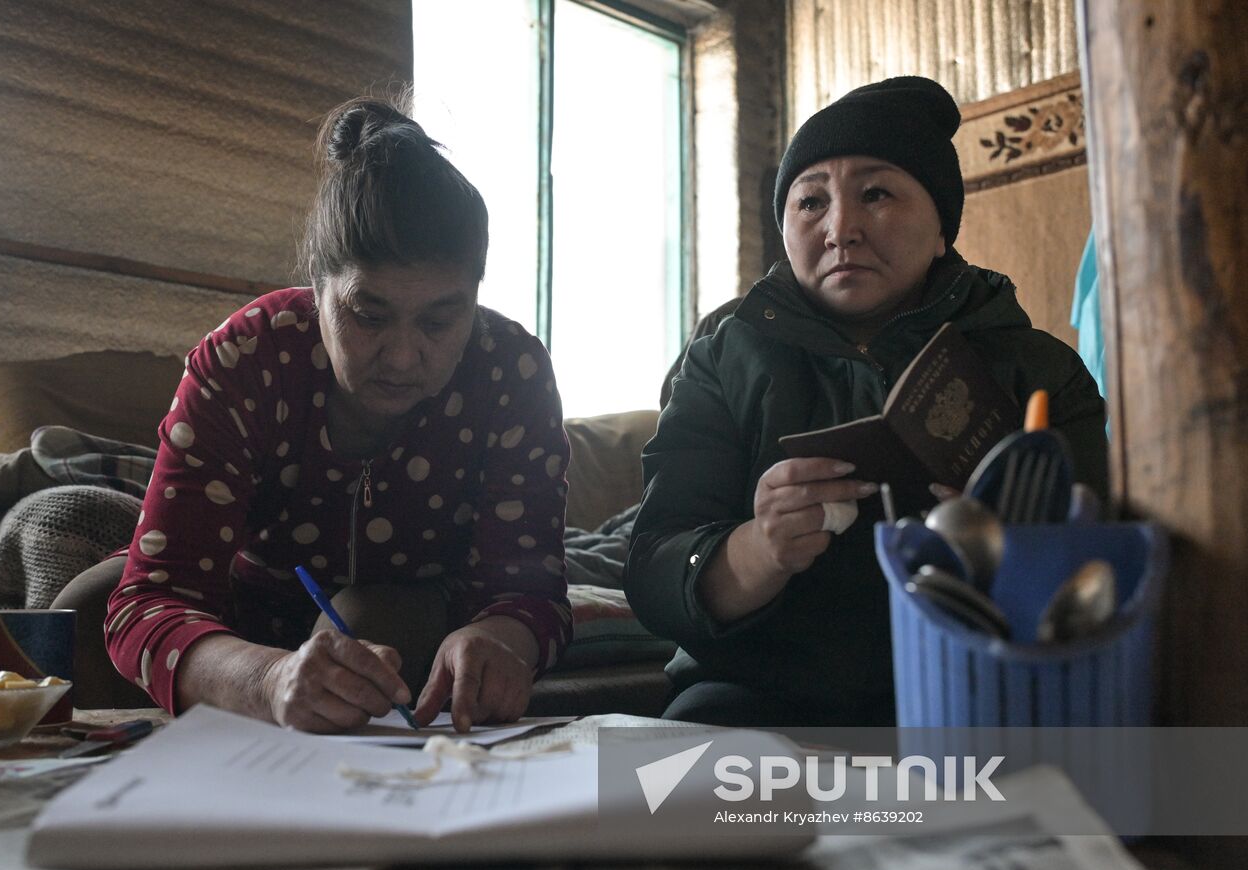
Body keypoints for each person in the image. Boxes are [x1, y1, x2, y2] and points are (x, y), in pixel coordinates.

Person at [57, 94, 572, 733]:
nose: (404, 356)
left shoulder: (509, 372)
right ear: (317, 290)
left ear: (475, 300)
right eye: (369, 315)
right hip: (242, 609)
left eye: (441, 320)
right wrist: (267, 679)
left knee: (363, 624)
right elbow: (152, 597)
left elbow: (530, 593)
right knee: (81, 610)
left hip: (413, 612)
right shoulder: (248, 356)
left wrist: (502, 636)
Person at [625, 76, 1108, 728]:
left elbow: (1104, 567)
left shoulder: (1040, 373)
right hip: (753, 694)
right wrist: (760, 548)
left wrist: (1007, 546)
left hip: (982, 687)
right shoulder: (722, 358)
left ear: (943, 228)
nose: (841, 229)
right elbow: (654, 566)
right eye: (811, 202)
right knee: (687, 783)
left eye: (876, 193)